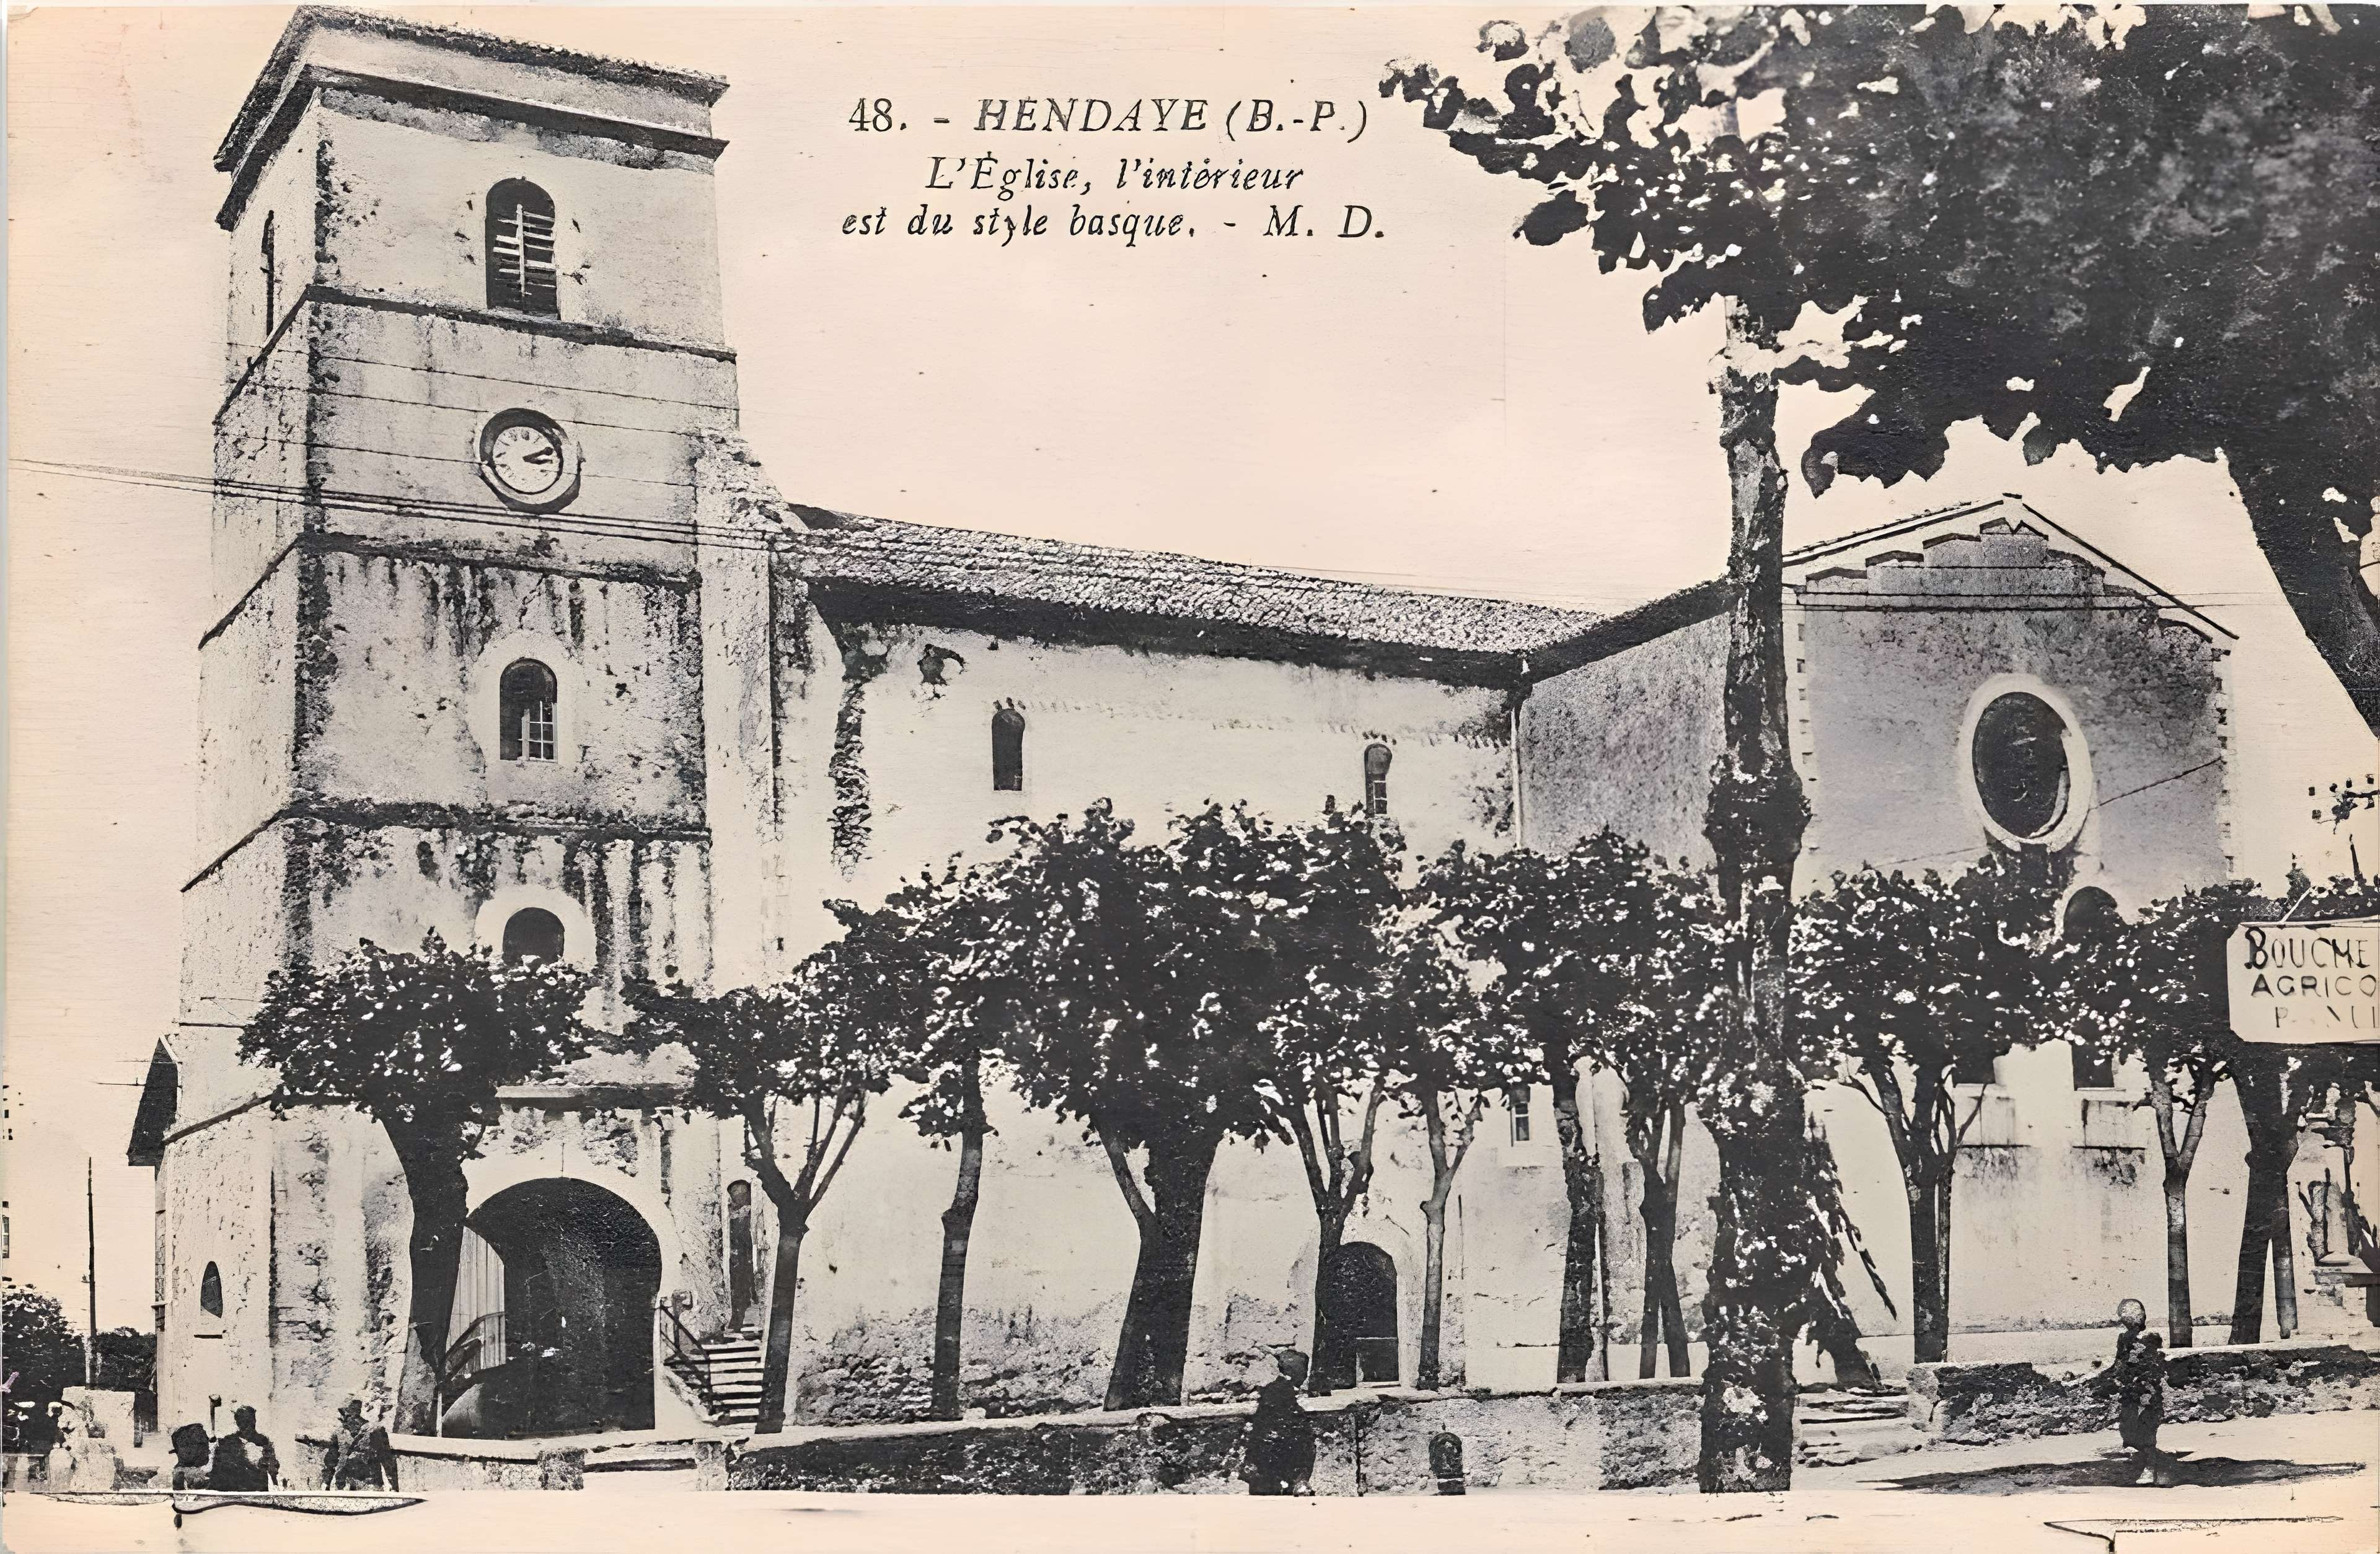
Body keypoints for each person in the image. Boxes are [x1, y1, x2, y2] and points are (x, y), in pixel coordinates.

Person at [1238, 1349, 1316, 1496]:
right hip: (1277, 1448)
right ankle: (1300, 1483)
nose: (1305, 1376)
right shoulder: (1283, 1390)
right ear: (1297, 1372)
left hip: (1265, 1447)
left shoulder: (1272, 1389)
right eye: (1303, 1371)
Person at [321, 1398, 400, 1490]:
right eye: (342, 1414)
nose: (343, 1418)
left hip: (370, 1485)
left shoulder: (375, 1431)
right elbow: (331, 1459)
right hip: (344, 1486)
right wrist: (326, 1481)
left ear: (356, 1413)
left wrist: (393, 1485)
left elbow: (387, 1459)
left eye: (346, 1414)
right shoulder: (339, 1433)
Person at [207, 1405, 280, 1492]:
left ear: (255, 1421)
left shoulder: (263, 1441)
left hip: (256, 1490)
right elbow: (218, 1472)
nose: (248, 1425)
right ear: (238, 1423)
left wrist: (275, 1484)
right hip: (232, 1490)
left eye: (250, 1421)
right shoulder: (227, 1442)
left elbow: (272, 1468)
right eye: (244, 1422)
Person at [169, 1423, 214, 1490]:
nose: (208, 1450)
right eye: (202, 1445)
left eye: (206, 1444)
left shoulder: (205, 1468)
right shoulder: (181, 1473)